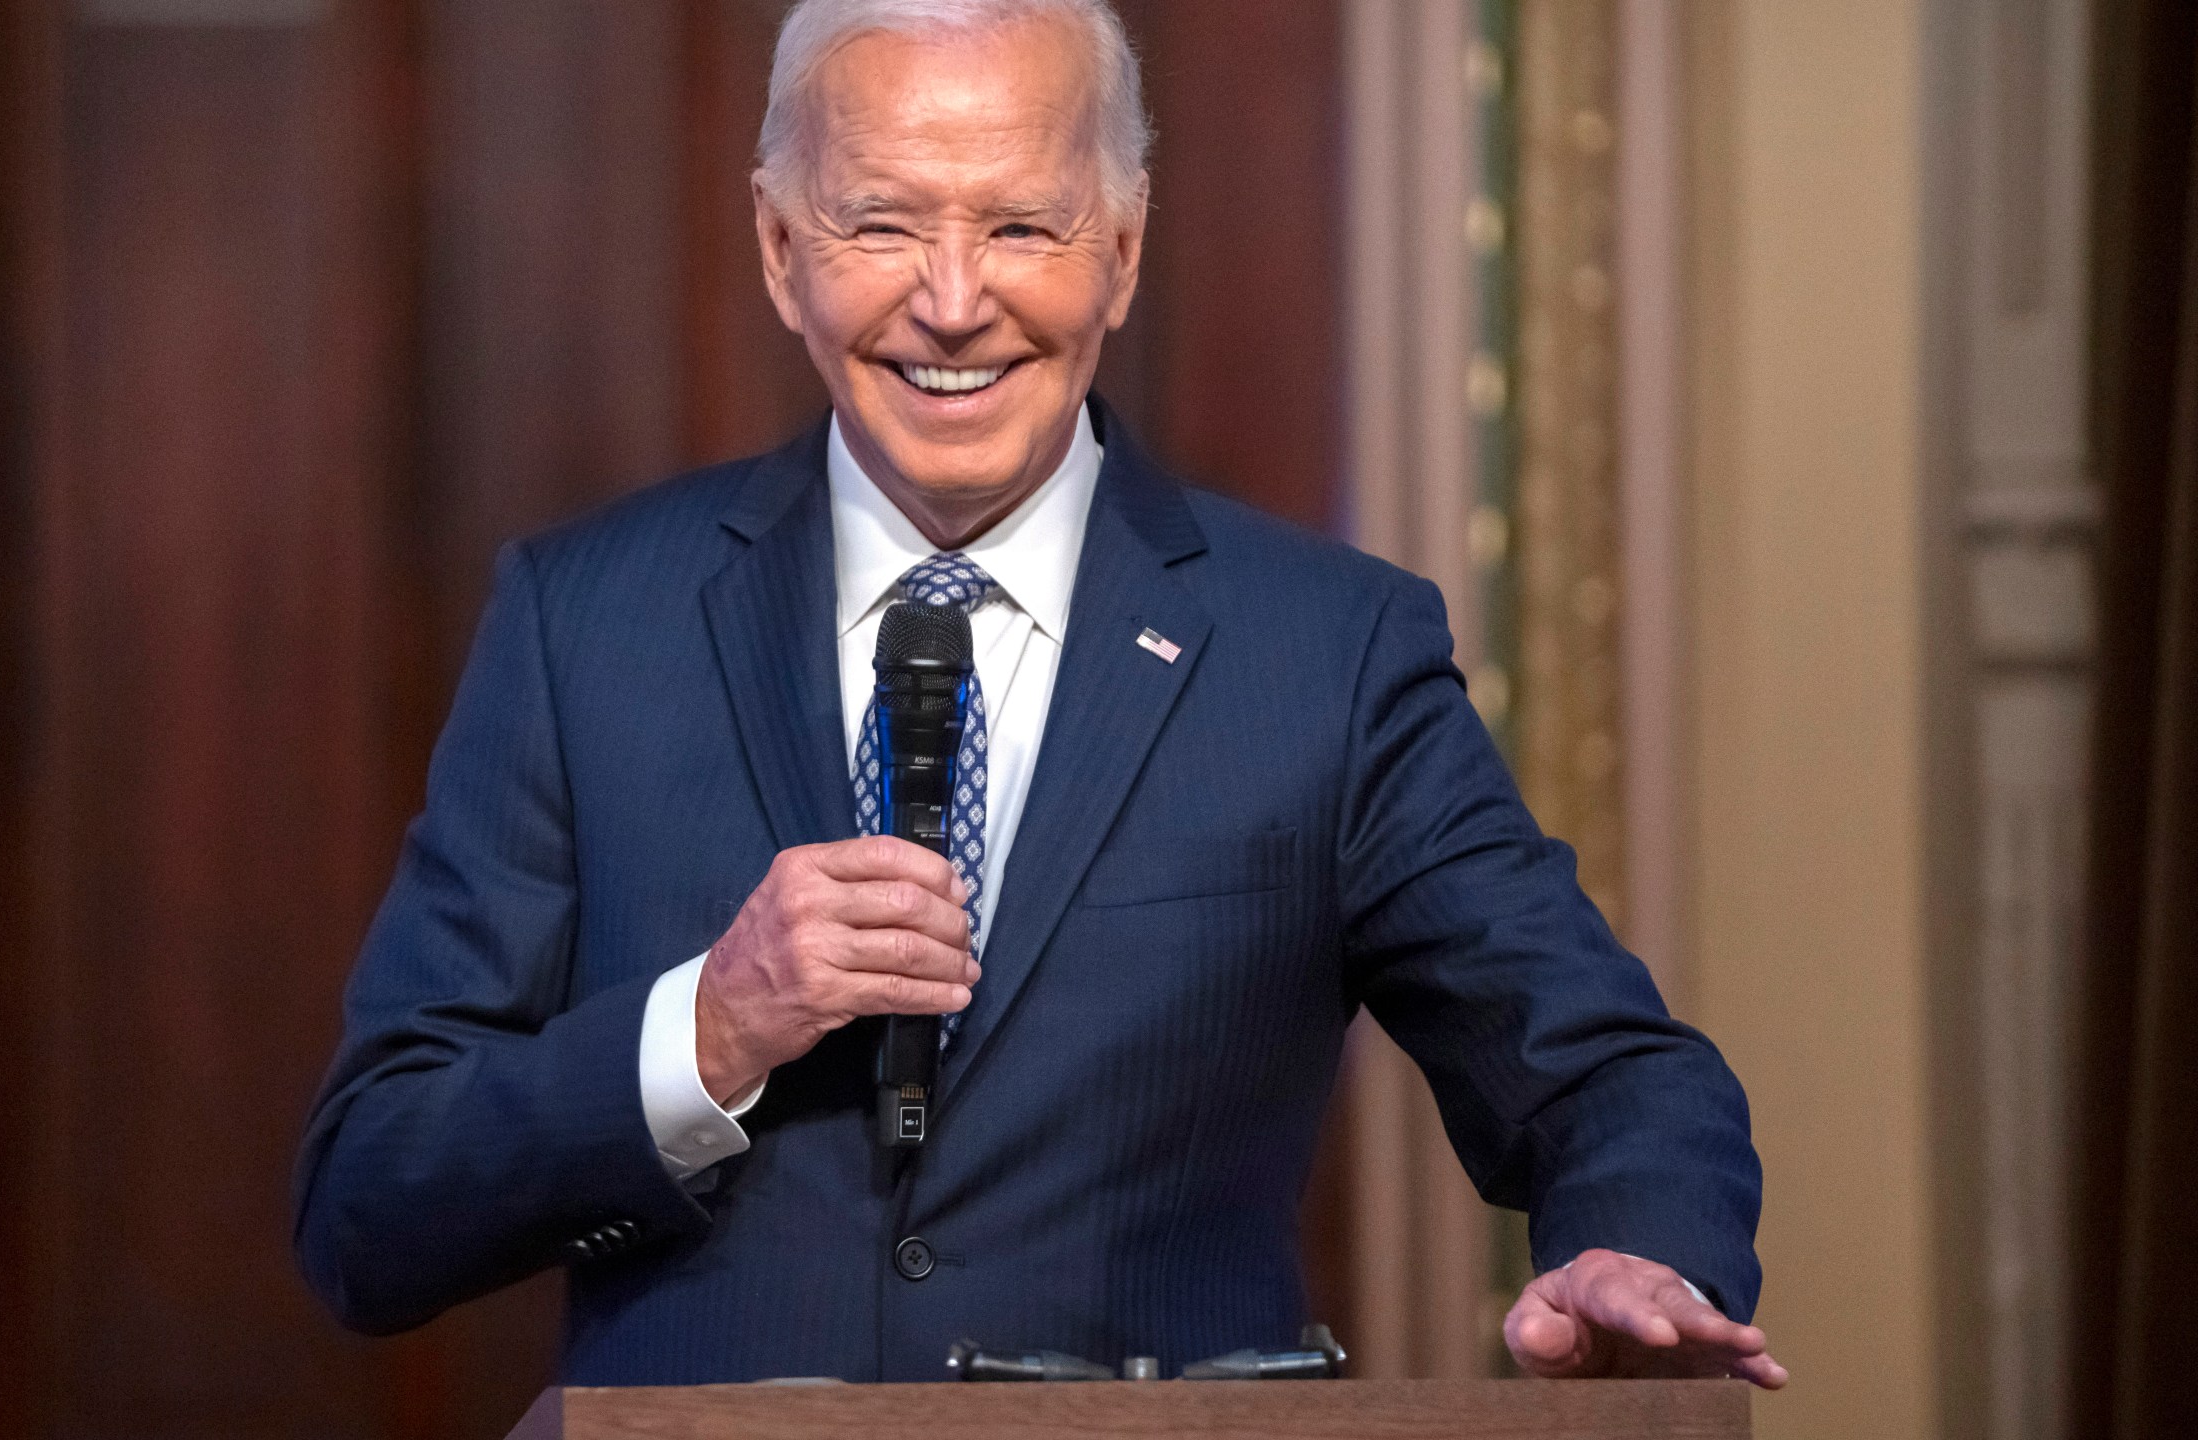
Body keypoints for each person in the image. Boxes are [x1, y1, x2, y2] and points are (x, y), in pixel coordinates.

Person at [294, 0, 1785, 1389]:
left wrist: (1638, 1250)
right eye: (881, 222)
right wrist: (712, 1027)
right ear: (778, 246)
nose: (954, 303)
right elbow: (370, 1204)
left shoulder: (1323, 653)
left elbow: (1604, 1072)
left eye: (1022, 224)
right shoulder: (586, 625)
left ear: (1123, 249)